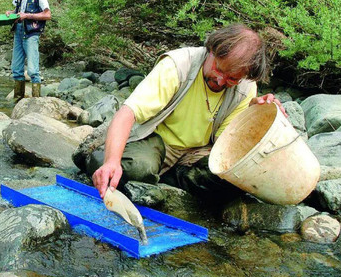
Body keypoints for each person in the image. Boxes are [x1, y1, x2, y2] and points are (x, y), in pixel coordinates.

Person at [73, 24, 287, 201]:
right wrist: (112, 162)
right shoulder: (177, 66)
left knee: (232, 182)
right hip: (156, 140)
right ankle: (97, 155)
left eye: (232, 79)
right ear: (211, 51)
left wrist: (253, 115)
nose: (221, 81)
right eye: (219, 70)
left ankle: (167, 180)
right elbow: (127, 113)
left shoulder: (246, 88)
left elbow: (228, 143)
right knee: (135, 169)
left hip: (197, 152)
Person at [6, 0, 52, 102]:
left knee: (32, 70)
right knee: (16, 69)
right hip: (19, 31)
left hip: (32, 33)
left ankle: (36, 101)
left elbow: (47, 15)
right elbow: (17, 10)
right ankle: (18, 101)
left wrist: (28, 16)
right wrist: (11, 13)